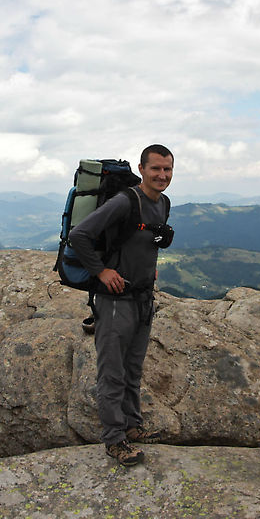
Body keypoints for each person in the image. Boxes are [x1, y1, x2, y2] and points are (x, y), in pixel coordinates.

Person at [68, 144, 174, 467]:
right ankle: (114, 439)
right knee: (112, 372)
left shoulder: (163, 203)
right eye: (155, 168)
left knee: (133, 369)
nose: (162, 175)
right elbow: (79, 236)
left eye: (167, 169)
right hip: (115, 300)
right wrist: (101, 271)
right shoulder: (125, 201)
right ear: (142, 169)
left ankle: (132, 425)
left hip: (143, 299)